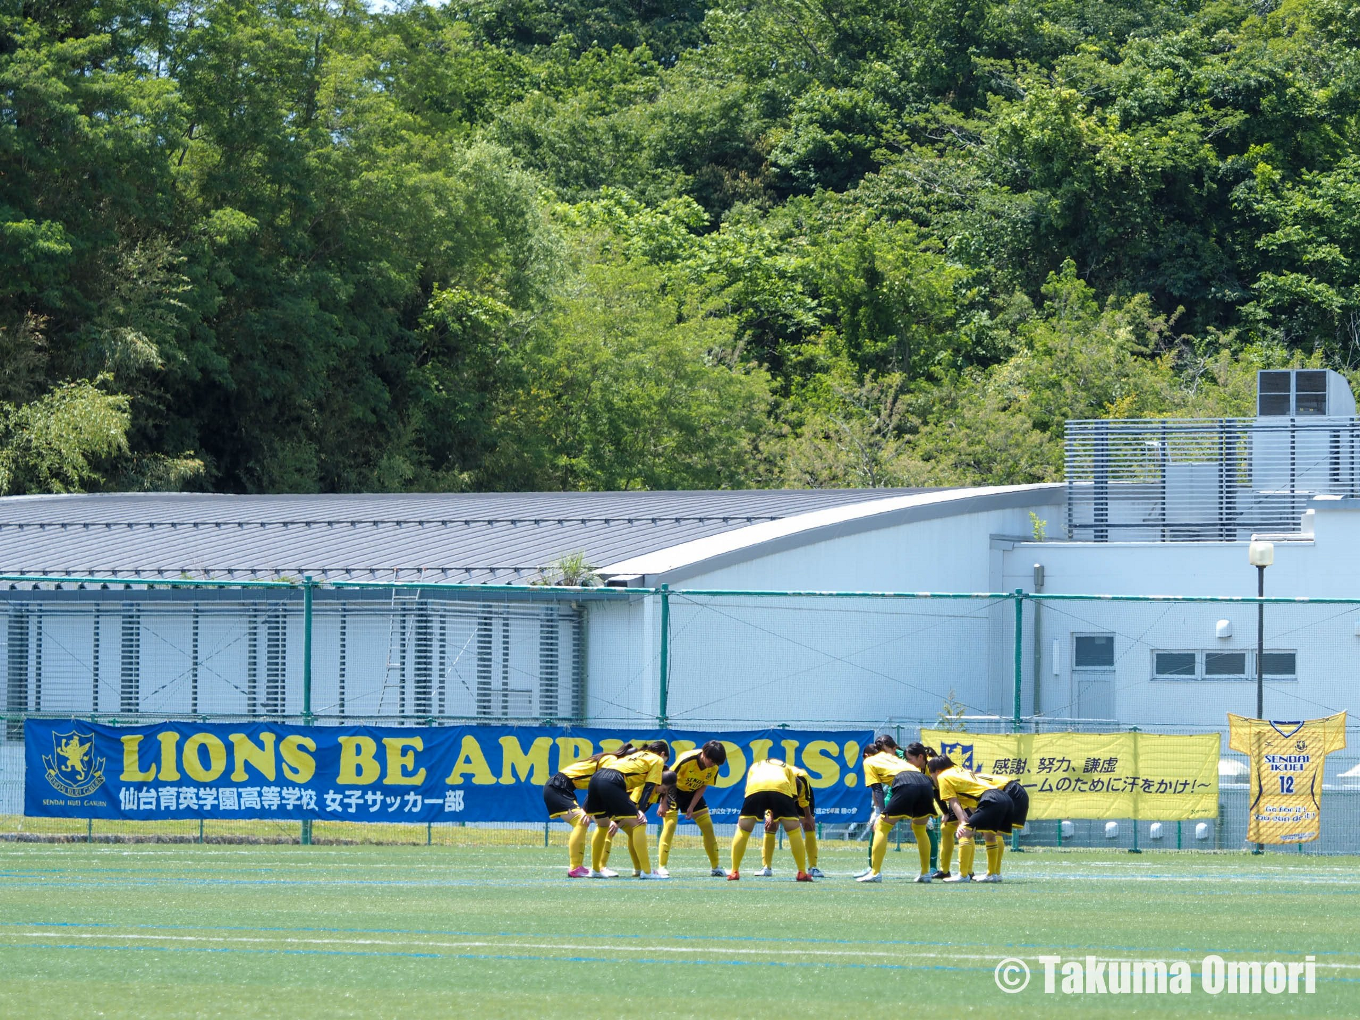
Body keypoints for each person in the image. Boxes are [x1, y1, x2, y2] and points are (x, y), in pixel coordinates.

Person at [928, 755, 1030, 883]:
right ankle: (993, 874)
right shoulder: (960, 772)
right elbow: (972, 805)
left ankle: (963, 875)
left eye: (930, 774)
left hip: (992, 798)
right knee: (990, 834)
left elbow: (953, 802)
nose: (932, 778)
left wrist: (964, 823)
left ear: (936, 771)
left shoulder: (943, 777)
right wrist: (977, 821)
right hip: (1003, 797)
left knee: (964, 832)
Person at [544, 743, 636, 878]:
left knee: (599, 823)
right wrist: (586, 811)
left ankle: (597, 868)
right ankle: (575, 867)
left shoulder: (615, 765)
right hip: (558, 786)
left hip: (561, 787)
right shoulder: (612, 760)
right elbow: (597, 782)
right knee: (581, 821)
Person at [585, 741, 670, 879]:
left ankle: (595, 869)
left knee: (602, 825)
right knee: (639, 823)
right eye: (666, 759)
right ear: (662, 754)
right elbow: (649, 786)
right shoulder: (657, 760)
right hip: (614, 780)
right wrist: (641, 810)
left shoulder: (638, 755)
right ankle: (647, 872)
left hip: (596, 778)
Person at [857, 734, 935, 883]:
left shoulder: (869, 761)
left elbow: (877, 789)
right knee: (920, 829)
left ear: (866, 755)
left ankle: (875, 873)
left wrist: (881, 812)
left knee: (881, 827)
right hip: (925, 783)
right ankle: (926, 873)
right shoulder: (892, 758)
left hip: (905, 782)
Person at [727, 757, 812, 881]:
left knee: (743, 829)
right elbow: (792, 795)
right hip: (781, 787)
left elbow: (752, 788)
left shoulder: (754, 766)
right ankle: (802, 873)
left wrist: (771, 815)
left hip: (755, 787)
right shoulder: (790, 770)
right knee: (794, 830)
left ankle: (734, 871)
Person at [656, 740, 728, 878]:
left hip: (693, 793)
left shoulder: (714, 767)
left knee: (707, 827)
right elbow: (668, 779)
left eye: (716, 763)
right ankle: (662, 867)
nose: (712, 765)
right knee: (670, 826)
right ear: (704, 753)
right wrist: (662, 802)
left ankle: (716, 868)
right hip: (673, 790)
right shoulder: (686, 759)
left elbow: (703, 785)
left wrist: (691, 806)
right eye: (711, 761)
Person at [904, 741, 963, 881]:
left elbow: (937, 792)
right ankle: (946, 870)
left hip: (962, 795)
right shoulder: (924, 767)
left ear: (920, 757)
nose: (908, 762)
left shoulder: (931, 765)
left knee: (963, 830)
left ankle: (966, 872)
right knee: (947, 829)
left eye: (910, 759)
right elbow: (936, 791)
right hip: (957, 795)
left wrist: (946, 813)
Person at [757, 762, 822, 878]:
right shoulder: (775, 782)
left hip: (800, 795)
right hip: (777, 794)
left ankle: (813, 867)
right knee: (770, 826)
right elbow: (771, 801)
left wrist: (808, 817)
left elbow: (804, 802)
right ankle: (766, 867)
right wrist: (771, 817)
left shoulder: (802, 778)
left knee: (809, 825)